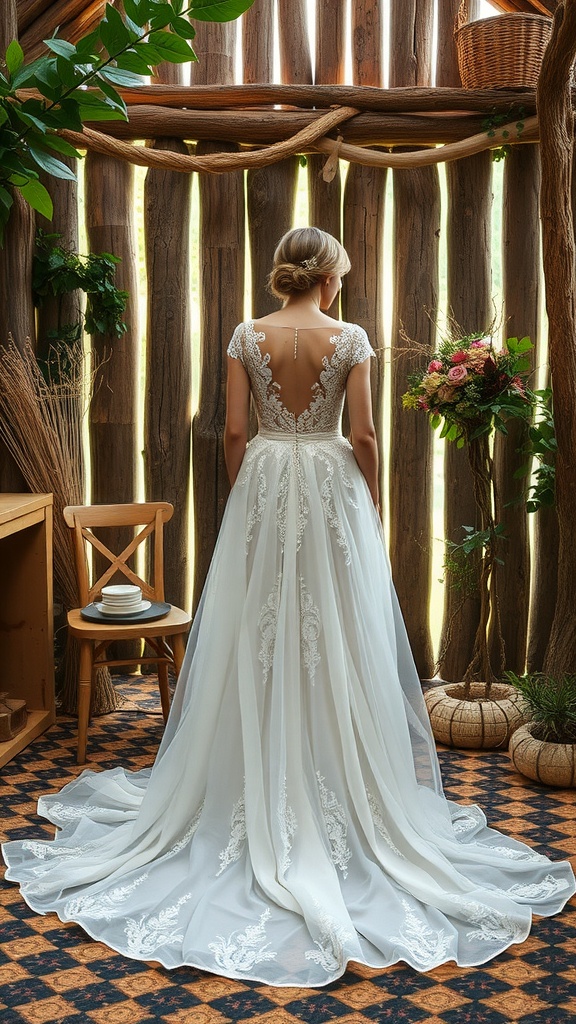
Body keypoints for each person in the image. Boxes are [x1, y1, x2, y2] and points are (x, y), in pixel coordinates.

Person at [3, 227, 574, 987]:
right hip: (330, 484)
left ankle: (247, 775)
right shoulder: (350, 337)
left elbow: (234, 431)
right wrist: (367, 492)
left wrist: (250, 496)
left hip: (268, 484)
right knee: (338, 631)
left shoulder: (246, 333)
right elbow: (364, 433)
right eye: (341, 273)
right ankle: (339, 781)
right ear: (329, 277)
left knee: (258, 632)